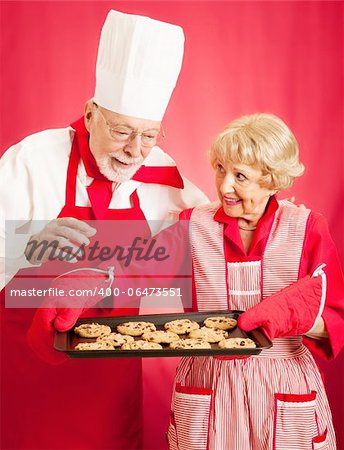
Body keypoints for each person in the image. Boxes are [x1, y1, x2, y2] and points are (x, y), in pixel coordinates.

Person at [0, 10, 208, 450]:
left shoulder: (162, 172)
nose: (135, 150)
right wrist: (25, 243)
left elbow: (215, 232)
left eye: (148, 135)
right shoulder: (31, 160)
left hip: (111, 381)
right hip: (29, 375)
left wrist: (272, 213)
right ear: (90, 113)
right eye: (121, 131)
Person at [164, 113, 344, 450]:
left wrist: (292, 317)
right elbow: (137, 274)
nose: (224, 185)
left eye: (240, 176)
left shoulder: (306, 228)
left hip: (283, 386)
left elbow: (336, 321)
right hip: (207, 381)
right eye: (220, 169)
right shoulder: (190, 223)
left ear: (272, 181)